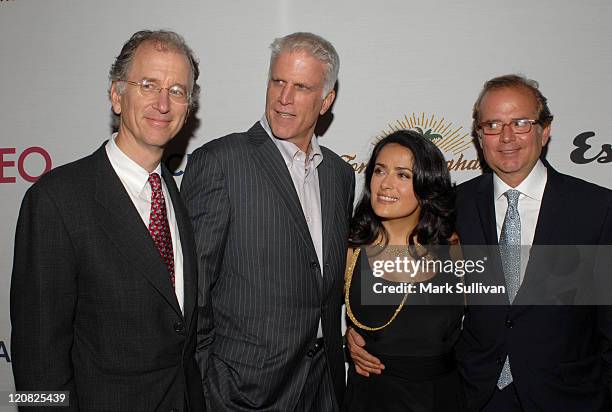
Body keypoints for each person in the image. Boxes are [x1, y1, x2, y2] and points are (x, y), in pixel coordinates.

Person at [347, 74, 612, 411]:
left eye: (520, 123)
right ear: (479, 136)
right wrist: (359, 335)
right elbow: (412, 291)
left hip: (568, 398)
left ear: (545, 130)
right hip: (473, 396)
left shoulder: (595, 210)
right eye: (492, 124)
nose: (506, 137)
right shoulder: (452, 207)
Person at [10, 30, 204, 411]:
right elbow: (36, 363)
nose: (163, 103)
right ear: (117, 96)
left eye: (178, 91)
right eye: (148, 85)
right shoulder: (56, 200)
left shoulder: (176, 196)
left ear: (187, 109)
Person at [181, 32, 354, 411]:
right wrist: (211, 388)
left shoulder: (340, 175)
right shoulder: (221, 163)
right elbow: (191, 291)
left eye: (301, 87)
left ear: (326, 101)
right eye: (278, 81)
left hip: (323, 390)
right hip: (242, 394)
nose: (284, 98)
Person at [343, 130, 466, 411]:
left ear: (427, 186)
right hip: (372, 400)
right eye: (379, 170)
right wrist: (347, 340)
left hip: (440, 399)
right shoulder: (351, 250)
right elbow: (314, 319)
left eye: (402, 175)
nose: (385, 184)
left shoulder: (453, 246)